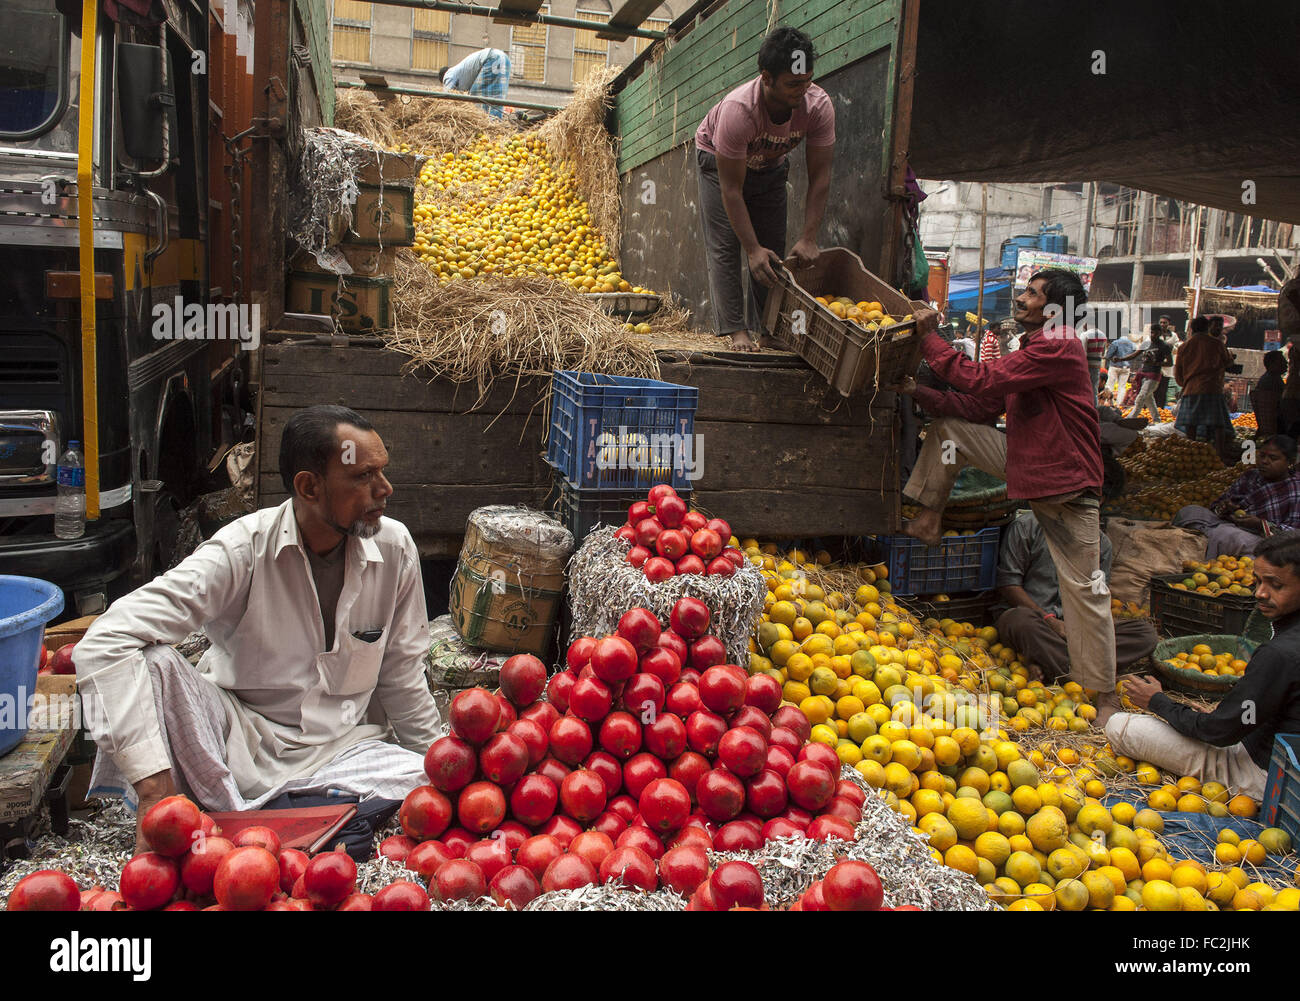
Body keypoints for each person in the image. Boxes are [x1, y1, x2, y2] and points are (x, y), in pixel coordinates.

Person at [76, 405, 443, 849]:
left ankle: (256, 818)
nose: (385, 489)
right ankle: (273, 814)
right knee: (153, 664)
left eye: (381, 472)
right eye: (364, 477)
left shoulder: (395, 546)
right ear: (309, 486)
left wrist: (437, 772)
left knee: (422, 783)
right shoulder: (240, 551)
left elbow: (402, 677)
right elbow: (105, 639)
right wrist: (154, 787)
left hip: (345, 751)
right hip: (234, 743)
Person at [896, 269, 1121, 723]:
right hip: (1028, 465)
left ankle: (1105, 696)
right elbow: (979, 408)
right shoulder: (1035, 348)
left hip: (1065, 484)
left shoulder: (1059, 344)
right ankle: (927, 518)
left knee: (1084, 591)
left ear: (1054, 311)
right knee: (950, 434)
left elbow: (979, 380)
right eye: (1024, 291)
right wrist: (916, 392)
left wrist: (929, 339)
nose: (1020, 299)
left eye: (1032, 294)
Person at [1108, 530, 1300, 801]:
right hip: (1274, 749)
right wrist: (1223, 714)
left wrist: (1158, 702)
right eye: (1257, 581)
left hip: (1272, 777)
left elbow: (1218, 733)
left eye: (1275, 585)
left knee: (1121, 726)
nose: (1260, 593)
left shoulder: (1279, 653)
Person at [694, 26, 835, 351]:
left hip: (770, 166)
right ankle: (736, 330)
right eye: (793, 84)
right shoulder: (738, 111)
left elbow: (821, 175)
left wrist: (809, 236)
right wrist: (751, 249)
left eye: (807, 80)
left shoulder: (818, 106)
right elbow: (731, 190)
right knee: (728, 246)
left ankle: (769, 331)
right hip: (717, 163)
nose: (802, 91)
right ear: (767, 78)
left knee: (771, 249)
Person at [993, 512, 1158, 685]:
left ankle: (1048, 663)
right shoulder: (1027, 527)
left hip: (1074, 631)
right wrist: (1049, 620)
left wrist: (1087, 627)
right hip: (1036, 622)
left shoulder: (1101, 544)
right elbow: (1009, 585)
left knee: (1145, 634)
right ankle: (1085, 677)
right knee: (1019, 620)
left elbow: (1096, 597)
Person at [1173, 435, 1300, 557]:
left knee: (1225, 535)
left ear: (1290, 462)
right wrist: (1225, 508)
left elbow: (1294, 535)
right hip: (1230, 524)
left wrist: (1261, 524)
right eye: (1262, 456)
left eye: (1273, 458)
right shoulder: (1250, 476)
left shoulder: (1295, 490)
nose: (1264, 461)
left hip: (1264, 540)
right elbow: (1218, 506)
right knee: (1190, 511)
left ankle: (1208, 545)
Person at [1173, 315, 1235, 450]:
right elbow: (1228, 362)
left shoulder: (1184, 347)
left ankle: (1191, 450)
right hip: (1212, 388)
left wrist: (1185, 384)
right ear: (1207, 328)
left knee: (1191, 424)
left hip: (1191, 389)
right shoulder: (1216, 344)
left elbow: (1178, 373)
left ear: (1192, 329)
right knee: (1218, 423)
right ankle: (1219, 452)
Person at [440, 48, 512, 118]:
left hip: (490, 58)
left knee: (476, 100)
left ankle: (490, 124)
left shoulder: (448, 74)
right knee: (497, 97)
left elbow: (447, 98)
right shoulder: (460, 71)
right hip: (504, 58)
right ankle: (496, 122)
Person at [1125, 326, 1173, 419]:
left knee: (1141, 397)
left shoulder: (1164, 346)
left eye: (1154, 333)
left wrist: (1156, 363)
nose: (1152, 335)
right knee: (1149, 399)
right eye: (1151, 333)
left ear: (1160, 333)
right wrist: (1120, 359)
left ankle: (1130, 418)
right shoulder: (1146, 343)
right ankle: (1157, 419)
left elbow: (1170, 363)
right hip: (1143, 374)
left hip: (1154, 376)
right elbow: (1134, 355)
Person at [1251, 349, 1287, 437]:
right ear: (1272, 364)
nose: (1286, 363)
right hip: (1278, 425)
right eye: (1282, 361)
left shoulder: (1268, 378)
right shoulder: (1273, 381)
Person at [1104, 329, 1136, 398]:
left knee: (1110, 385)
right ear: (1128, 334)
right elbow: (1133, 356)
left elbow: (1108, 355)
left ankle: (1108, 402)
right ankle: (1119, 404)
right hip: (1126, 368)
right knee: (1122, 387)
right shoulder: (1132, 344)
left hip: (1115, 366)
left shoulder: (1116, 342)